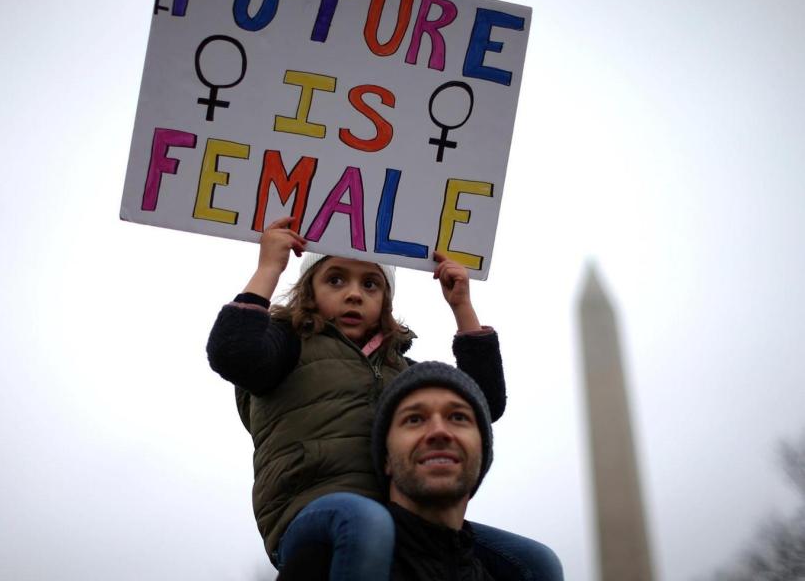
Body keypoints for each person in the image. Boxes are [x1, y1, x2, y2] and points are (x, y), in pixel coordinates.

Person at [206, 216, 505, 580]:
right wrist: (269, 267)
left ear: (385, 302)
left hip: (402, 524)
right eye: (335, 279)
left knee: (532, 561)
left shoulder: (402, 370)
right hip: (312, 515)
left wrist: (462, 308)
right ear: (309, 290)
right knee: (364, 520)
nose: (354, 293)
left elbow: (483, 403)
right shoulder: (287, 345)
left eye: (370, 284)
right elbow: (231, 352)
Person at [371, 361, 564, 580]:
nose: (439, 432)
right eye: (414, 419)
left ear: (483, 453)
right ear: (385, 457)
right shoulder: (334, 562)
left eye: (458, 417)